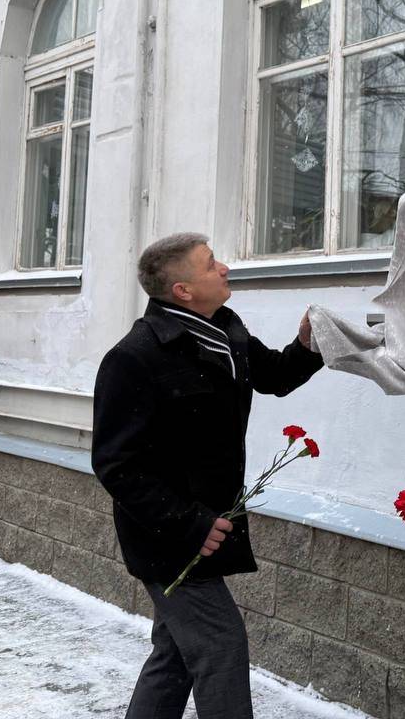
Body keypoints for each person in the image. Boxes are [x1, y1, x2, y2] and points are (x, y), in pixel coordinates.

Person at [92, 232, 323, 719]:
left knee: (175, 654)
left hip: (207, 526)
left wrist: (305, 346)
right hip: (169, 537)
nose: (224, 269)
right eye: (211, 263)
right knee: (220, 646)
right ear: (182, 290)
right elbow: (116, 464)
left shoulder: (225, 330)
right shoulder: (135, 356)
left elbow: (276, 375)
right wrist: (189, 523)